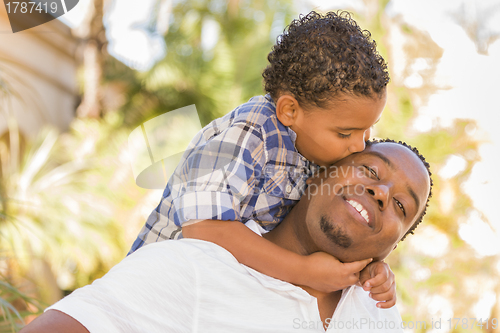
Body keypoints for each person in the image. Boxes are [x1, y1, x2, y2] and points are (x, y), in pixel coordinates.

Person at [21, 139, 433, 333]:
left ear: (395, 244)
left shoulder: (380, 318)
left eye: (402, 206)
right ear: (321, 171)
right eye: (370, 171)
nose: (382, 193)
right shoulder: (195, 268)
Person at [129, 10, 395, 304]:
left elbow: (327, 230)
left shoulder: (317, 149)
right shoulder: (252, 132)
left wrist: (370, 268)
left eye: (368, 130)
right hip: (153, 289)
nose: (360, 146)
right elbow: (203, 228)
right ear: (290, 111)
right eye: (346, 134)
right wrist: (303, 271)